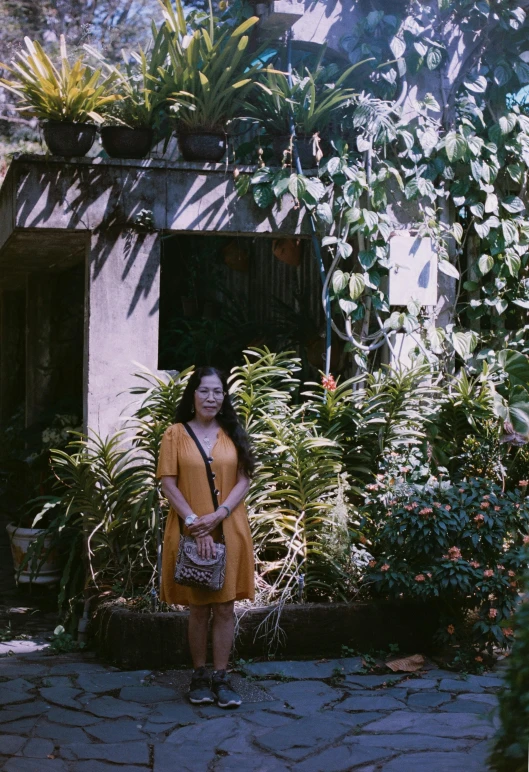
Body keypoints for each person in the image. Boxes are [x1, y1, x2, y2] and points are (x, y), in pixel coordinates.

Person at [156, 366, 255, 708]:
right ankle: (199, 675)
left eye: (217, 392)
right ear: (193, 396)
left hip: (229, 526)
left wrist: (219, 514)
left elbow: (244, 479)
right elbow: (168, 482)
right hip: (190, 528)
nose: (211, 398)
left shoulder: (232, 432)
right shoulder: (175, 434)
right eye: (204, 391)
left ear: (224, 397)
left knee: (225, 606)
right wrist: (196, 522)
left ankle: (221, 677)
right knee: (198, 608)